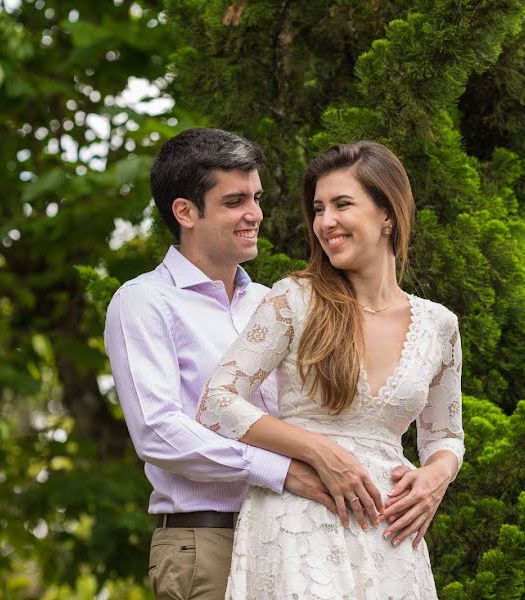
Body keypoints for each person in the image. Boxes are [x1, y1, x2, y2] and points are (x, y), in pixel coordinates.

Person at [105, 128, 385, 599]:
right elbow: (158, 431)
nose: (254, 214)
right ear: (185, 212)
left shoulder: (272, 302)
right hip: (208, 542)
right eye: (234, 201)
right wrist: (281, 470)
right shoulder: (144, 302)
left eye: (255, 197)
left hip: (299, 537)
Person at [196, 141, 465, 599]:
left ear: (388, 214)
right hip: (300, 523)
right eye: (319, 208)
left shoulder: (440, 325)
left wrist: (437, 475)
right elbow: (216, 403)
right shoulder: (293, 300)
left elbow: (445, 436)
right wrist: (318, 451)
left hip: (391, 535)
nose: (326, 222)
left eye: (342, 204)